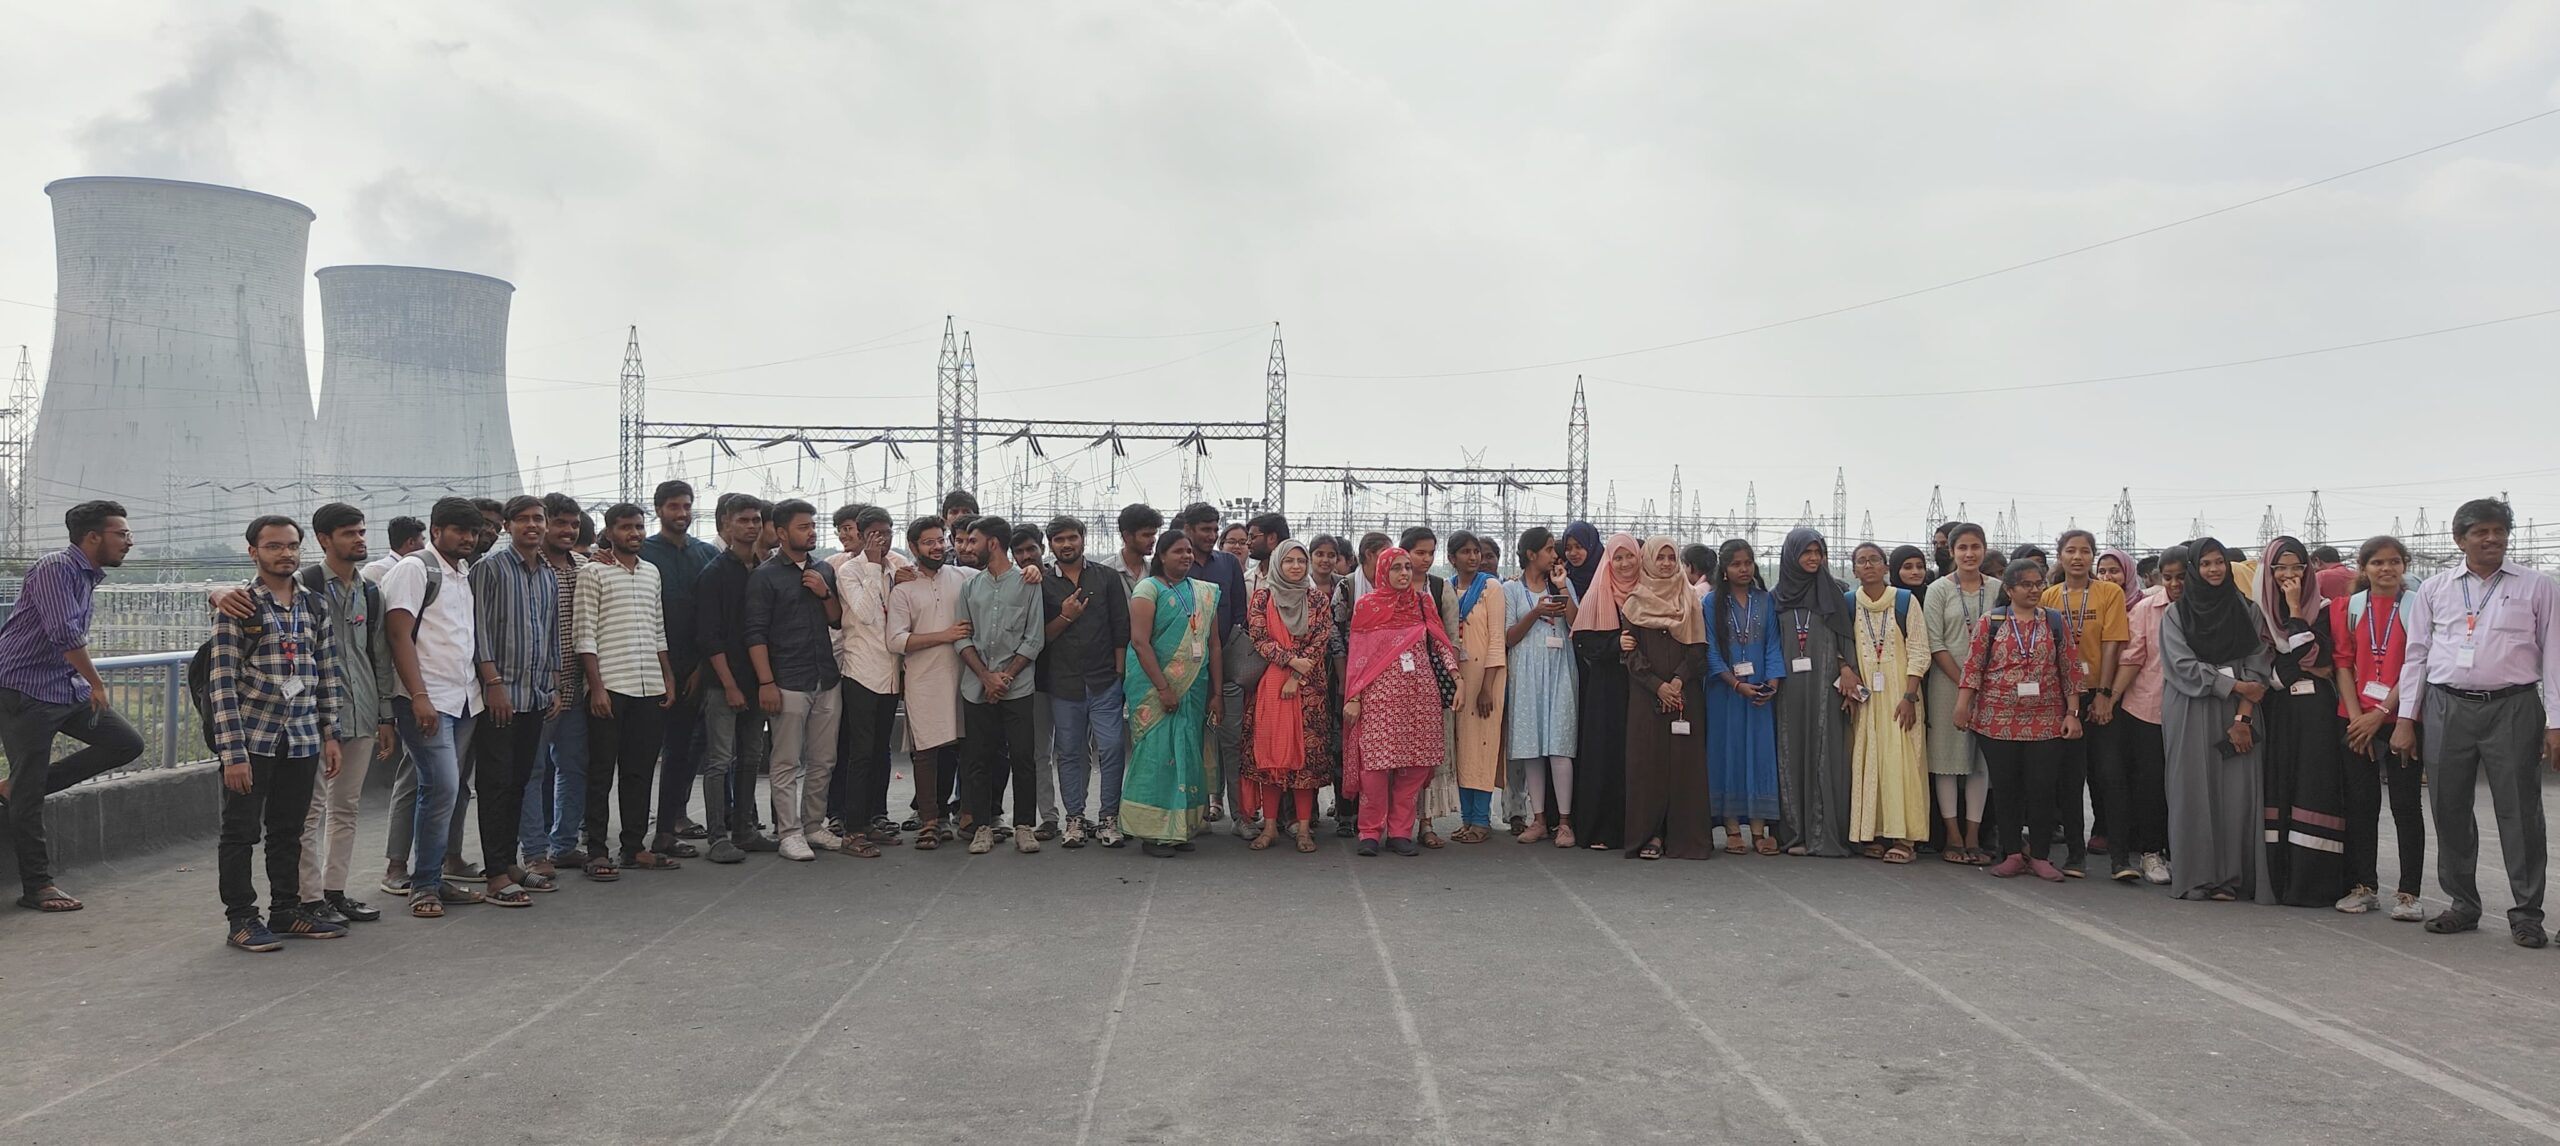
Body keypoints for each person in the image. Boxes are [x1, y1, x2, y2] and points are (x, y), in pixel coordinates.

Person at [2393, 498, 2560, 946]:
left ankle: (2526, 913)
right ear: (2459, 540)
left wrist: (2556, 722)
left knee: (2520, 812)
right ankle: (2463, 904)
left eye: (2498, 531)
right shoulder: (2434, 590)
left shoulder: (2538, 586)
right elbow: (2417, 657)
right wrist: (2406, 717)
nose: (2491, 539)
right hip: (2446, 707)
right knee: (2448, 807)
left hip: (2514, 707)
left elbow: (2556, 655)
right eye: (2480, 532)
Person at [207, 515, 349, 949]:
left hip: (303, 736)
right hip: (255, 737)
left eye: (291, 546)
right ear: (254, 552)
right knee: (241, 832)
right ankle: (242, 919)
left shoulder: (314, 605)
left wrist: (330, 733)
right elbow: (221, 683)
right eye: (274, 546)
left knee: (288, 829)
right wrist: (233, 754)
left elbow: (325, 671)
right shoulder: (240, 606)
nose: (285, 553)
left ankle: (286, 911)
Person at [380, 498, 485, 914]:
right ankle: (423, 884)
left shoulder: (461, 573)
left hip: (463, 699)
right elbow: (398, 636)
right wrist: (418, 696)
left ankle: (434, 878)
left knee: (449, 789)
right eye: (459, 530)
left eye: (473, 532)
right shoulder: (413, 569)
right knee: (439, 785)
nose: (468, 538)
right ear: (436, 530)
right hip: (426, 700)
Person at [2160, 539, 2275, 903]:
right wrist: (2232, 683)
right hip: (2191, 707)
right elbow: (2181, 666)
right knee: (2192, 790)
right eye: (2206, 564)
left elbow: (2258, 665)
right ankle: (2197, 877)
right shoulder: (2177, 614)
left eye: (2219, 563)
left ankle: (2231, 878)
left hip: (2239, 711)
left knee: (2237, 793)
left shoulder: (2248, 611)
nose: (2213, 570)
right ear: (2195, 568)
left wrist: (2243, 715)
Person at [1955, 560, 2084, 881]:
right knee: (2006, 789)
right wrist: (1962, 706)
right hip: (1996, 719)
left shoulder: (2054, 622)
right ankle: (2012, 853)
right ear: (2009, 589)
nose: (2035, 589)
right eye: (2026, 584)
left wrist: (2072, 712)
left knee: (2041, 788)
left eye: (2039, 583)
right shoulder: (1991, 622)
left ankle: (2040, 856)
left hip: (2046, 720)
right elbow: (1973, 667)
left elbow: (2069, 668)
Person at [747, 498, 858, 860]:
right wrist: (766, 683)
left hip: (825, 677)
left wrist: (823, 592)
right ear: (781, 533)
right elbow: (756, 634)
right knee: (785, 762)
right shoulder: (765, 576)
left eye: (812, 525)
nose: (811, 531)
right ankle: (788, 832)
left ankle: (814, 825)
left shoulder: (824, 570)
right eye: (802, 526)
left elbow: (836, 619)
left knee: (824, 759)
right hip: (787, 681)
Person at [296, 503, 390, 925]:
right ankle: (307, 897)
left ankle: (335, 892)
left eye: (362, 532)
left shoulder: (369, 590)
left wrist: (386, 715)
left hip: (363, 710)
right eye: (350, 533)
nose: (360, 540)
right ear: (324, 539)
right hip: (315, 715)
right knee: (310, 810)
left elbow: (380, 654)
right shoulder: (303, 585)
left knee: (346, 807)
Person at [576, 502, 680, 879]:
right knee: (601, 772)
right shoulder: (594, 572)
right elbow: (584, 634)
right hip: (611, 685)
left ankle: (633, 849)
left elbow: (659, 629)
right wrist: (597, 687)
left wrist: (667, 677)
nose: (633, 534)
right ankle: (597, 852)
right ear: (609, 533)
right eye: (625, 528)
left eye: (638, 527)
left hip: (648, 686)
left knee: (639, 771)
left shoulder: (651, 572)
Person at [468, 496, 561, 908]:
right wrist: (492, 683)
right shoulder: (488, 569)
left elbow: (552, 630)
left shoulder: (548, 575)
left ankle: (509, 863)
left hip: (536, 694)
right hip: (501, 696)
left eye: (538, 519)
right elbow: (479, 629)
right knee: (496, 785)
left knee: (522, 783)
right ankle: (494, 875)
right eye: (522, 519)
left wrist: (555, 683)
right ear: (507, 526)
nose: (532, 525)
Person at [2330, 535, 2425, 920]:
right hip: (2356, 719)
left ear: (2404, 566)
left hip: (2403, 718)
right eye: (2378, 563)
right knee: (2361, 804)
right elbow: (2343, 664)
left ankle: (2409, 894)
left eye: (2394, 562)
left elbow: (2418, 662)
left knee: (2405, 806)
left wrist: (2383, 712)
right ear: (2364, 568)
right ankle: (2365, 886)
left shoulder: (2419, 606)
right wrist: (2357, 721)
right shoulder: (2348, 608)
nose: (2386, 569)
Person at [2255, 536, 2350, 908]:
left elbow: (2314, 653)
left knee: (2314, 783)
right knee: (2279, 783)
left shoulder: (2324, 608)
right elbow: (2268, 667)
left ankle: (2311, 883)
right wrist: (2289, 668)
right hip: (2276, 712)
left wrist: (2295, 609)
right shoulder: (2257, 613)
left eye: (2297, 567)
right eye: (2281, 568)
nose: (2289, 575)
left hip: (2316, 714)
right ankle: (2277, 880)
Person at [1342, 545, 1455, 857]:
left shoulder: (1422, 602)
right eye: (1397, 568)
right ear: (1382, 571)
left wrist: (1457, 677)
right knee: (1375, 768)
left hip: (1420, 698)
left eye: (1407, 567)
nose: (1404, 573)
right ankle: (1369, 831)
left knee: (1415, 767)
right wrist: (1355, 696)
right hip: (1379, 699)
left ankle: (1401, 832)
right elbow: (1359, 657)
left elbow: (1441, 642)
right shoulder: (1367, 606)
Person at [1124, 532, 1221, 857]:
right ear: (1162, 556)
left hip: (1194, 687)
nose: (1186, 556)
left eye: (1189, 551)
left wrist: (1216, 692)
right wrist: (1164, 688)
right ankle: (1153, 833)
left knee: (1186, 752)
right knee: (1157, 755)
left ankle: (1179, 828)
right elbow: (1139, 642)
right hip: (1156, 688)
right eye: (1178, 551)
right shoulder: (1147, 589)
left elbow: (1214, 644)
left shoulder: (1204, 593)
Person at [1616, 537, 1712, 860]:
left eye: (1673, 557)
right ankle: (1651, 835)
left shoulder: (1690, 600)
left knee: (1685, 767)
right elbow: (1631, 654)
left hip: (1685, 694)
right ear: (1649, 560)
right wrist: (1658, 685)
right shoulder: (1634, 601)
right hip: (1646, 697)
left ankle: (1684, 837)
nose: (1668, 563)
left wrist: (1678, 681)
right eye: (1662, 557)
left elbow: (1699, 650)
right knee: (1648, 766)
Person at [954, 516, 1044, 856]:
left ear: (991, 543)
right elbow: (962, 639)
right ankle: (982, 826)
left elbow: (1034, 638)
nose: (966, 547)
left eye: (972, 541)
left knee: (1023, 757)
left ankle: (1024, 826)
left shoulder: (1028, 583)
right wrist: (985, 677)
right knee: (977, 759)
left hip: (1017, 687)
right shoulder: (969, 587)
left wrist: (1004, 676)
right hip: (977, 686)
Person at [2041, 529, 2129, 879]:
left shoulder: (2110, 593)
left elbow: (2112, 644)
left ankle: (2120, 858)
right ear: (2060, 555)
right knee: (2069, 778)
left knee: (2109, 775)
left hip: (2098, 693)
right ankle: (2075, 855)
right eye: (2070, 550)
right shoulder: (2048, 595)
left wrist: (2105, 695)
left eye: (2085, 551)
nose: (2077, 557)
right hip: (2062, 698)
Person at [1040, 515, 1130, 849]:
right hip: (1063, 683)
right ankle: (1074, 819)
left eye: (1072, 538)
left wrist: (1119, 676)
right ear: (1051, 545)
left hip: (1105, 680)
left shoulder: (1106, 577)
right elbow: (1039, 637)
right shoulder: (1043, 583)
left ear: (1083, 539)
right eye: (1059, 539)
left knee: (1112, 748)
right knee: (1069, 753)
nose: (1066, 544)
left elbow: (1121, 627)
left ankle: (1109, 818)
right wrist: (1065, 617)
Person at [639, 480, 720, 851]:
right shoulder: (641, 553)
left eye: (687, 506)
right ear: (659, 510)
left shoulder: (704, 554)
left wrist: (702, 667)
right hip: (647, 669)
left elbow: (712, 617)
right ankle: (632, 837)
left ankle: (669, 827)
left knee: (682, 753)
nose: (682, 513)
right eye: (674, 506)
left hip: (694, 671)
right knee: (639, 756)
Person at [1239, 538, 1335, 853]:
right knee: (1271, 760)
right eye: (1289, 561)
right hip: (1271, 689)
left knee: (1304, 765)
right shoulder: (1262, 597)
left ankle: (1304, 830)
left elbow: (1321, 640)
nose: (1296, 567)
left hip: (1309, 692)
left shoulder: (1318, 600)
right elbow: (1259, 637)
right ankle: (1269, 828)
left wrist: (1296, 675)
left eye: (1300, 561)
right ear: (1278, 564)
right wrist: (1290, 662)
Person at [828, 504, 910, 850]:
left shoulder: (899, 568)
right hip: (861, 670)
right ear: (860, 537)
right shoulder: (850, 570)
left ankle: (875, 817)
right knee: (860, 752)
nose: (883, 540)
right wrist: (874, 566)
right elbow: (862, 613)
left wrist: (889, 571)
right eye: (875, 535)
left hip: (891, 670)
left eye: (888, 533)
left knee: (880, 750)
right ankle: (852, 827)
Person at [1771, 527, 1856, 859]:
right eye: (1805, 552)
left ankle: (1824, 834)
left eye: (1817, 552)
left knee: (1825, 753)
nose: (1812, 558)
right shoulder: (1776, 596)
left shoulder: (1834, 593)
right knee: (1790, 752)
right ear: (1791, 555)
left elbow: (1844, 638)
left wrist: (1848, 671)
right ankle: (1796, 833)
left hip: (1826, 686)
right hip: (1787, 688)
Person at [884, 516, 967, 848]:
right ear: (914, 547)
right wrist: (945, 636)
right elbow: (896, 641)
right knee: (926, 752)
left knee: (962, 747)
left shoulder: (963, 577)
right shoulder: (903, 588)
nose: (937, 547)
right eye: (928, 542)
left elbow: (1004, 579)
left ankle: (961, 817)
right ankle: (930, 821)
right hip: (923, 680)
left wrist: (1032, 572)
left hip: (962, 677)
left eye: (940, 540)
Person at [694, 494, 768, 863]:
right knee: (719, 760)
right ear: (725, 525)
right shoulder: (714, 573)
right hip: (724, 683)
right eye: (743, 520)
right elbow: (709, 636)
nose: (751, 526)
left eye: (756, 519)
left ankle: (745, 829)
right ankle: (717, 837)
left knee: (752, 757)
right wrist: (729, 684)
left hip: (759, 681)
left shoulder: (760, 569)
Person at [1846, 542, 1929, 863]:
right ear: (1854, 570)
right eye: (1862, 561)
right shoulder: (1849, 603)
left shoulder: (1905, 601)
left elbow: (1920, 651)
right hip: (1866, 697)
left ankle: (1905, 838)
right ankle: (1875, 832)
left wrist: (1910, 696)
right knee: (1870, 761)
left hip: (1900, 696)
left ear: (1885, 567)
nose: (1868, 566)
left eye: (1874, 560)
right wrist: (1846, 674)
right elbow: (1841, 646)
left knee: (1904, 762)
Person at [524, 494, 591, 879]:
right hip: (536, 689)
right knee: (532, 772)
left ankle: (564, 844)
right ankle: (534, 852)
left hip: (576, 686)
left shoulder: (584, 567)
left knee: (573, 767)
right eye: (560, 523)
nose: (567, 531)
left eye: (574, 524)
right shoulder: (527, 567)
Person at [1925, 523, 1998, 865]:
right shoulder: (1938, 589)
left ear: (1984, 549)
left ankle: (1973, 836)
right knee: (1947, 763)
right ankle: (1952, 836)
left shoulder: (1998, 589)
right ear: (1951, 552)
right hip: (1946, 683)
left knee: (1979, 764)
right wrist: (1965, 682)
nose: (1969, 554)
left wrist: (1979, 683)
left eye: (1975, 547)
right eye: (1962, 548)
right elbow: (1935, 642)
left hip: (1992, 686)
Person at [1176, 503, 1251, 829]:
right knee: (1188, 743)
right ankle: (1193, 816)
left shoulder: (1229, 565)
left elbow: (1238, 614)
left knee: (1232, 742)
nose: (1212, 535)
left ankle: (1242, 817)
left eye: (1214, 528)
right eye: (1205, 529)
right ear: (1188, 530)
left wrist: (1227, 657)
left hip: (1226, 667)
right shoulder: (1175, 564)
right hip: (1184, 672)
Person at [1503, 527, 1579, 847]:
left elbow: (1577, 623)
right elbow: (1508, 637)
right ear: (1531, 554)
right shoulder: (1510, 589)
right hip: (1526, 671)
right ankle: (1538, 819)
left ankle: (1564, 823)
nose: (1554, 555)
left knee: (1560, 745)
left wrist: (1563, 590)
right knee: (1531, 746)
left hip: (1560, 668)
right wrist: (1536, 612)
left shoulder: (1562, 583)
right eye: (1548, 549)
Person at [1704, 539, 1780, 854]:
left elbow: (1774, 644)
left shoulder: (1766, 601)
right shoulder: (1711, 603)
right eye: (1736, 564)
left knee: (1760, 754)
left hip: (1761, 690)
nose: (1743, 569)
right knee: (1729, 752)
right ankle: (1732, 826)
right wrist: (1735, 683)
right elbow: (1708, 648)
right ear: (1724, 570)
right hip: (1725, 692)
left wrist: (1773, 681)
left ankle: (1760, 829)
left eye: (1748, 562)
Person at [2109, 545, 2179, 885]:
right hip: (2147, 707)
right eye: (2169, 577)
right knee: (2151, 783)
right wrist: (2112, 699)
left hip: (2194, 712)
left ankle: (2183, 849)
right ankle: (2152, 851)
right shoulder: (2147, 609)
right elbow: (2133, 658)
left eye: (2183, 576)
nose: (2176, 583)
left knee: (2184, 784)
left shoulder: (2208, 608)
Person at [1571, 533, 1643, 852]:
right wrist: (1615, 644)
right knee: (1605, 753)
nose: (1625, 563)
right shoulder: (1598, 593)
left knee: (1639, 756)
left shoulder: (1651, 592)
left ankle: (1640, 828)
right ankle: (1602, 828)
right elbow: (1583, 641)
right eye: (1618, 558)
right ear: (1608, 561)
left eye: (1630, 556)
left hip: (1643, 686)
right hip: (1606, 688)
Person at [1443, 531, 1508, 843]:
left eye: (1476, 552)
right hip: (1458, 679)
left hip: (1486, 679)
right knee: (1461, 747)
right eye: (1465, 552)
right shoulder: (1446, 589)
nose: (1473, 557)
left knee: (1482, 746)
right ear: (1451, 558)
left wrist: (1487, 687)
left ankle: (1481, 820)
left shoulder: (1491, 588)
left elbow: (1497, 639)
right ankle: (1467, 819)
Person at [1399, 528, 1463, 847]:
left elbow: (1451, 639)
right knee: (1399, 755)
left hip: (1432, 682)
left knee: (1429, 756)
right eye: (1419, 552)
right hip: (1394, 688)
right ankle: (1398, 826)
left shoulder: (1439, 588)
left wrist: (1454, 680)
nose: (1425, 559)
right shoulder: (1390, 587)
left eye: (1430, 553)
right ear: (1404, 552)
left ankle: (1426, 824)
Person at [362, 515, 425, 583]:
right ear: (411, 542)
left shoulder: (420, 568)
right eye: (422, 539)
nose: (424, 546)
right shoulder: (375, 571)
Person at [1114, 503, 1161, 594]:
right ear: (1127, 536)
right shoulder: (1105, 572)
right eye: (1146, 535)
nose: (1153, 540)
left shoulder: (1155, 572)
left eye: (1154, 534)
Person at [1560, 521, 1602, 598]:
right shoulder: (1563, 578)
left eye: (1579, 547)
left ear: (1591, 546)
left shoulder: (1607, 574)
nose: (1573, 553)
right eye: (1568, 548)